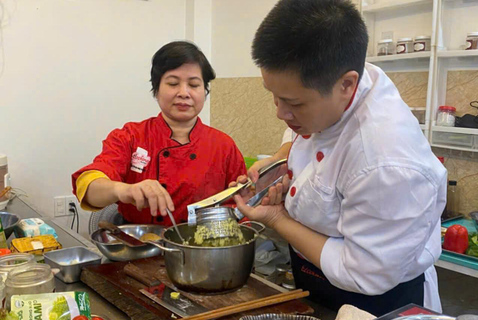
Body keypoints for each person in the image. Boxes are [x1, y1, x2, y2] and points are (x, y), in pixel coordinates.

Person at [234, 0, 446, 316]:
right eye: (274, 96)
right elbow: (304, 135)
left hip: (376, 302)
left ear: (346, 85)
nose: (280, 112)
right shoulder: (339, 78)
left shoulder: (386, 161)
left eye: (293, 103)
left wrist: (278, 218)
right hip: (317, 285)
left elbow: (361, 271)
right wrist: (279, 160)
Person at [72, 41, 246, 226]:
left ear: (204, 91)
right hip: (140, 247)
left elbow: (242, 208)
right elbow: (89, 186)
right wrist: (123, 190)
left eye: (194, 85)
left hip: (204, 249)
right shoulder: (130, 136)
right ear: (156, 89)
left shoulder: (223, 145)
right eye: (173, 83)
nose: (184, 93)